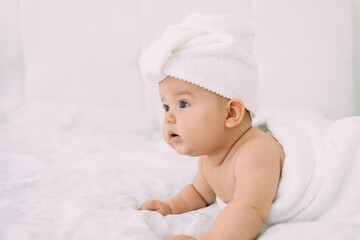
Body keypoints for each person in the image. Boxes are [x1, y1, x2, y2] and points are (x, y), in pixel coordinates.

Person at [138, 13, 285, 240]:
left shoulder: (255, 152)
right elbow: (198, 193)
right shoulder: (210, 158)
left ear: (231, 113)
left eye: (183, 103)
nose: (168, 117)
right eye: (166, 107)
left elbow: (250, 210)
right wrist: (170, 208)